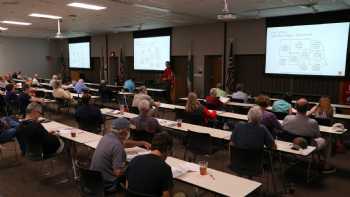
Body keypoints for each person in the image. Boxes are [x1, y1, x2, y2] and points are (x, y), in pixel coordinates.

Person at [90, 118, 151, 192]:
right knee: (137, 172)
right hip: (107, 184)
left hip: (94, 180)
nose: (129, 132)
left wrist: (142, 143)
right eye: (128, 129)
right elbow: (117, 172)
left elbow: (125, 143)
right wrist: (131, 165)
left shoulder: (106, 137)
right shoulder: (117, 146)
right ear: (123, 131)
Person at [282, 98, 335, 173]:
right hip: (307, 145)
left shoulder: (287, 118)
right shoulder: (313, 122)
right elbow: (318, 136)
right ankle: (326, 165)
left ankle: (294, 158)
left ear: (295, 107)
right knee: (328, 140)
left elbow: (283, 129)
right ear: (307, 108)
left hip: (290, 143)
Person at [125, 132, 174, 197]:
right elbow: (166, 195)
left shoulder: (135, 159)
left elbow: (127, 185)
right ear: (168, 149)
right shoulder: (165, 168)